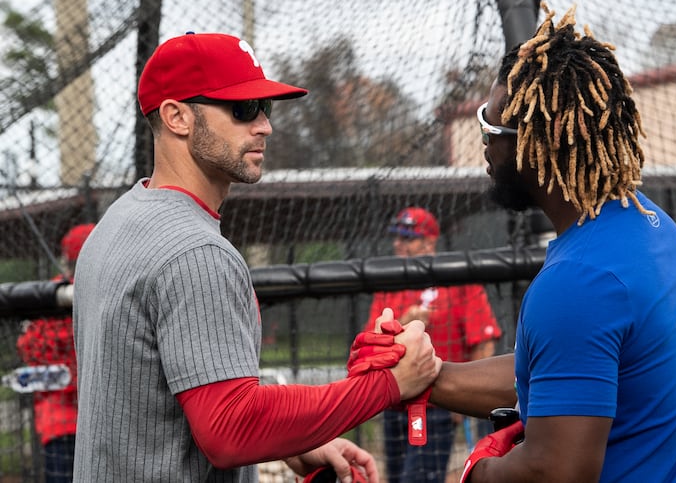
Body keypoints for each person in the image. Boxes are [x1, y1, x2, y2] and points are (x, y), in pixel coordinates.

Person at [349, 3, 676, 482]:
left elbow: (554, 471)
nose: (483, 141)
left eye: (490, 126)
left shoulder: (578, 283)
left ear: (534, 143)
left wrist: (477, 472)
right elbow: (562, 369)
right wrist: (424, 374)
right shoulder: (649, 222)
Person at [71, 32, 441, 482]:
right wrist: (388, 385)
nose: (264, 125)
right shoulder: (197, 251)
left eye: (266, 108)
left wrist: (300, 439)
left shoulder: (116, 223)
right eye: (243, 109)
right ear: (176, 116)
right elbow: (231, 430)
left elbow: (177, 391)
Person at [365, 206, 502, 483]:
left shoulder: (457, 278)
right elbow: (370, 344)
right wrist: (404, 321)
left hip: (435, 407)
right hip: (393, 403)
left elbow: (483, 341)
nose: (398, 244)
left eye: (407, 238)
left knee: (417, 479)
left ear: (429, 241)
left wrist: (463, 396)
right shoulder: (389, 281)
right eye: (397, 237)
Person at [16, 222, 95, 483]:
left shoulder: (51, 294)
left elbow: (28, 348)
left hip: (60, 422)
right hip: (100, 421)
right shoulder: (103, 292)